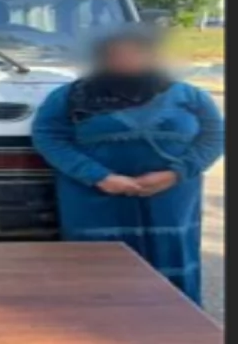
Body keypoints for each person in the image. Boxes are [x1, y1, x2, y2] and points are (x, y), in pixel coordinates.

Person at [31, 28, 224, 305]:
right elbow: (49, 137)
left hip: (170, 199)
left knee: (170, 269)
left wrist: (177, 173)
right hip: (95, 200)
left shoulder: (191, 96)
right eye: (116, 54)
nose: (126, 59)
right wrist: (99, 176)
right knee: (100, 273)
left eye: (136, 53)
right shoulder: (70, 96)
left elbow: (215, 136)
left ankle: (176, 323)